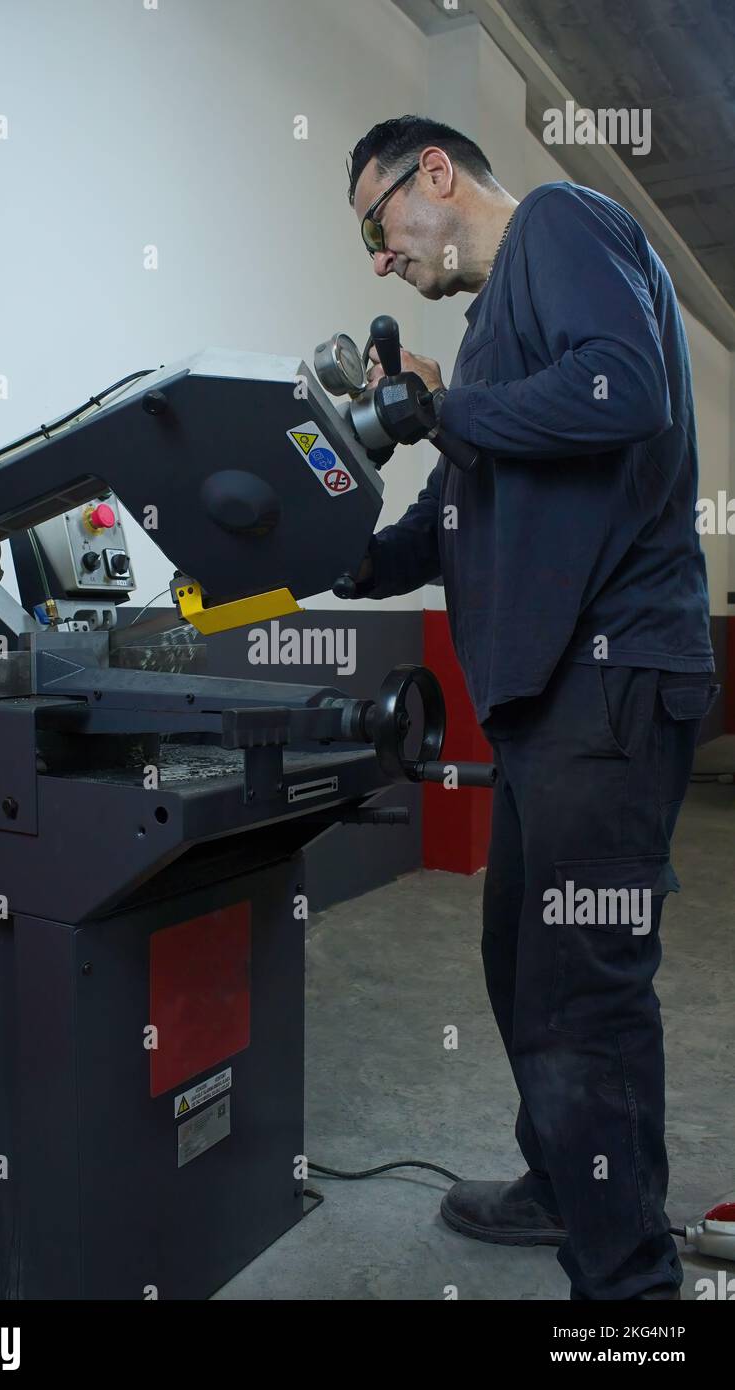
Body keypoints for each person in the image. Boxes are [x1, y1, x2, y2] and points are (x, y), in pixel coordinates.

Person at [343, 115, 718, 1301]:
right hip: (548, 702)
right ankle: (566, 1181)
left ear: (435, 174)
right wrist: (332, 554)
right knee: (525, 968)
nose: (377, 257)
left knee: (579, 992)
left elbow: (623, 391)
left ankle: (628, 1293)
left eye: (376, 222)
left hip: (606, 681)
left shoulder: (557, 224)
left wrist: (440, 412)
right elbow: (448, 514)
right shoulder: (489, 347)